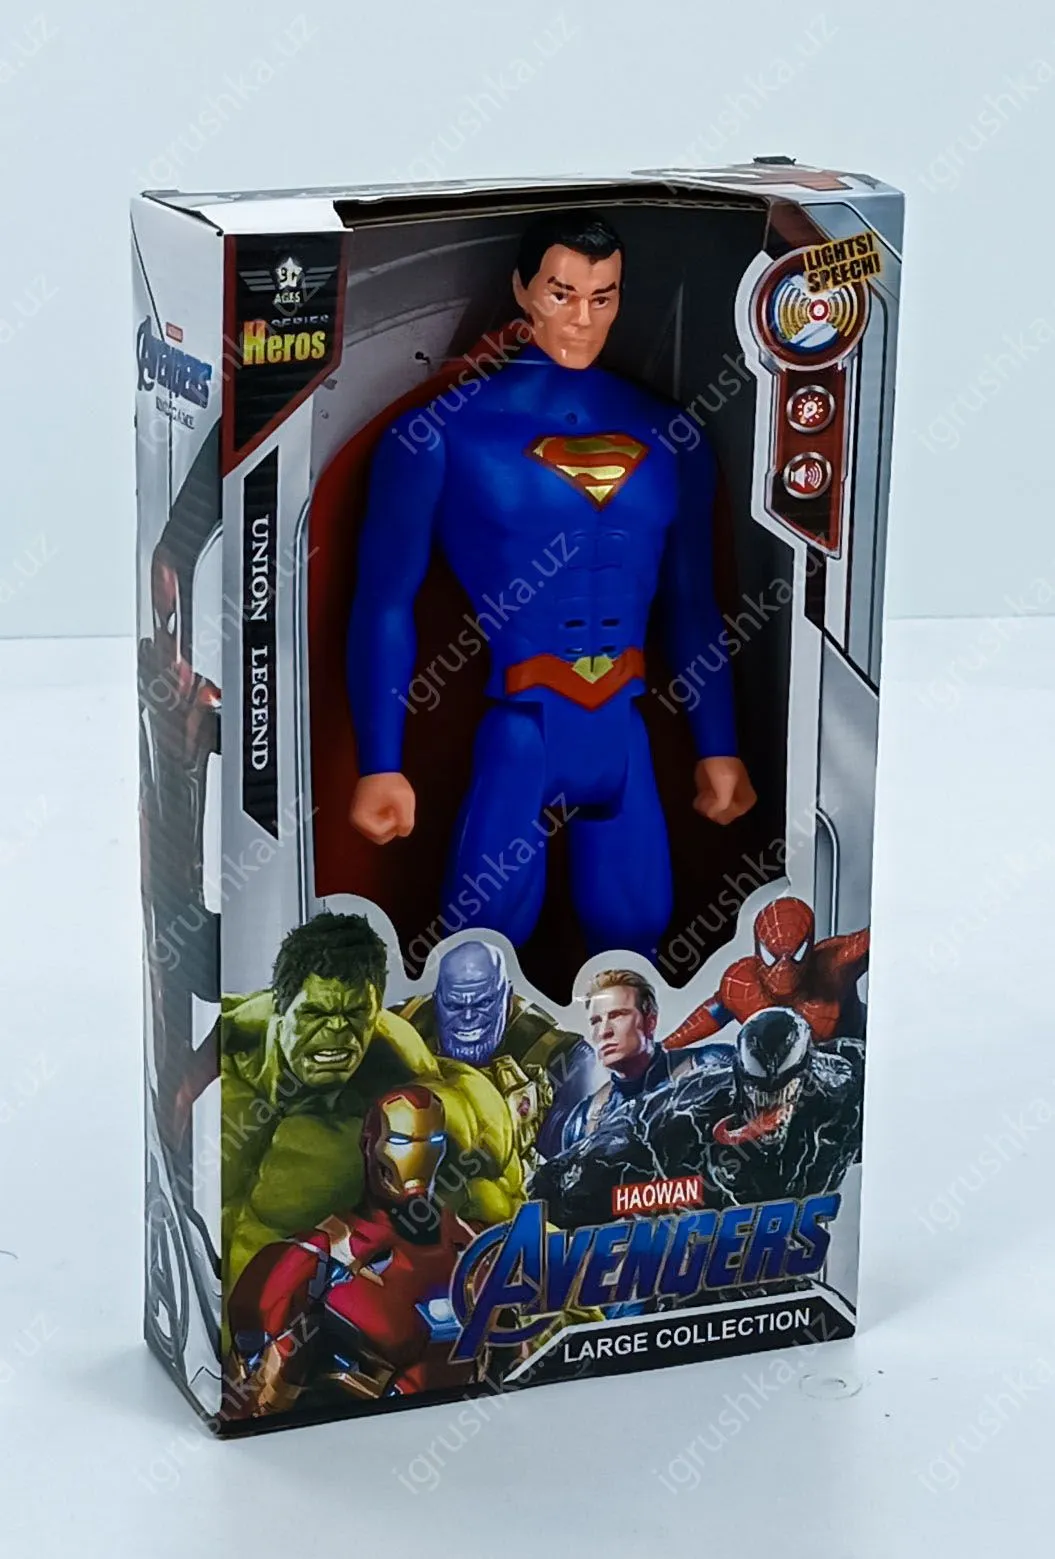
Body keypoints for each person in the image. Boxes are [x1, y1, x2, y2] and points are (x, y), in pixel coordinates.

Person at [347, 210, 754, 957]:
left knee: (635, 937)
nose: (581, 318)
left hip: (622, 729)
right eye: (562, 293)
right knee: (480, 946)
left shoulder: (673, 436)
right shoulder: (443, 433)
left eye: (602, 297)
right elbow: (384, 604)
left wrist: (718, 744)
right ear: (522, 290)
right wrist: (380, 763)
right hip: (521, 727)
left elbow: (694, 604)